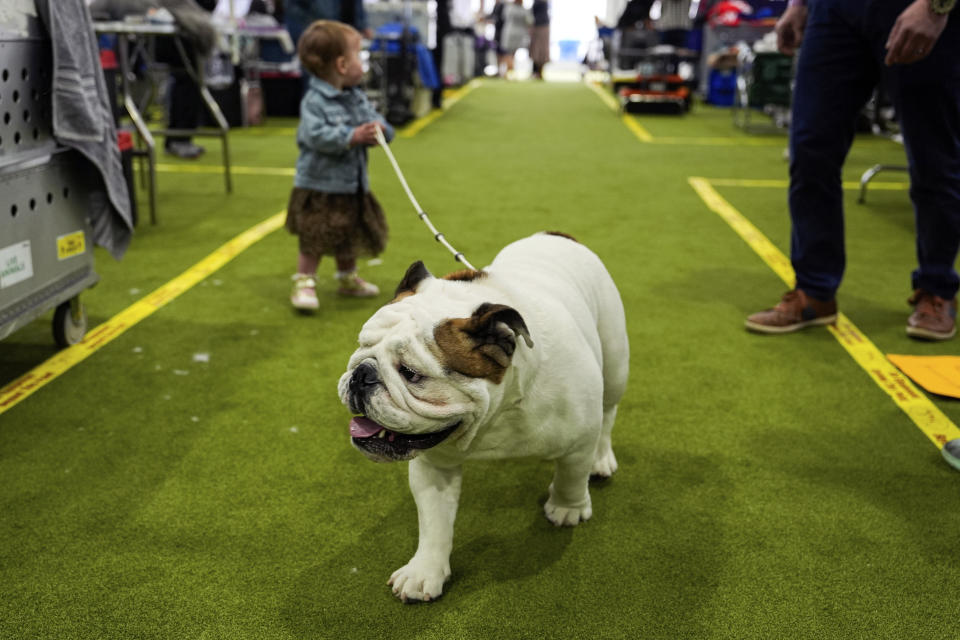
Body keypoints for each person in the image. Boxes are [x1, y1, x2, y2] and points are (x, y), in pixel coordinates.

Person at [745, 0, 960, 341]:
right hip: (833, 11)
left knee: (934, 155)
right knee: (810, 151)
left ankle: (937, 290)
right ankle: (814, 292)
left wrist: (936, 6)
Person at [285, 20, 395, 311]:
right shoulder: (315, 100)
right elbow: (313, 135)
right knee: (316, 232)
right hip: (320, 184)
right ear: (342, 65)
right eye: (360, 55)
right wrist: (351, 136)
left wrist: (380, 130)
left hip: (352, 182)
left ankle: (347, 276)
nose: (364, 62)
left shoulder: (356, 96)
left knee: (350, 229)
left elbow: (380, 123)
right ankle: (304, 281)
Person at [498, 0, 532, 77]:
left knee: (508, 53)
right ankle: (510, 70)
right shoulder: (524, 10)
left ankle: (509, 71)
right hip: (519, 33)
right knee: (512, 53)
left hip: (509, 32)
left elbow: (504, 17)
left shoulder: (509, 7)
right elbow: (530, 21)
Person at [529, 0, 550, 78]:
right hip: (539, 26)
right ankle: (536, 72)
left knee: (539, 51)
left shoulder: (540, 2)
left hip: (540, 27)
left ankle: (538, 72)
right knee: (537, 51)